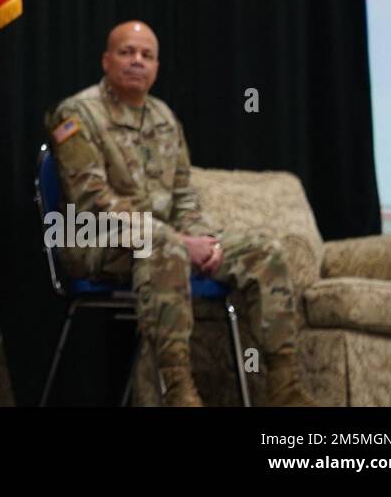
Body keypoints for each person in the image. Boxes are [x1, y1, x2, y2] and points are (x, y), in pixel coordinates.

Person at [45, 20, 315, 406]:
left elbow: (185, 198)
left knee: (263, 250)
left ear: (156, 67)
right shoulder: (75, 116)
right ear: (106, 61)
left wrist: (207, 242)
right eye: (127, 52)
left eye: (147, 55)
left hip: (165, 246)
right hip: (94, 242)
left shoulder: (164, 118)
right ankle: (179, 391)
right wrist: (180, 241)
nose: (137, 61)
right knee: (164, 244)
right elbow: (93, 203)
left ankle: (285, 389)